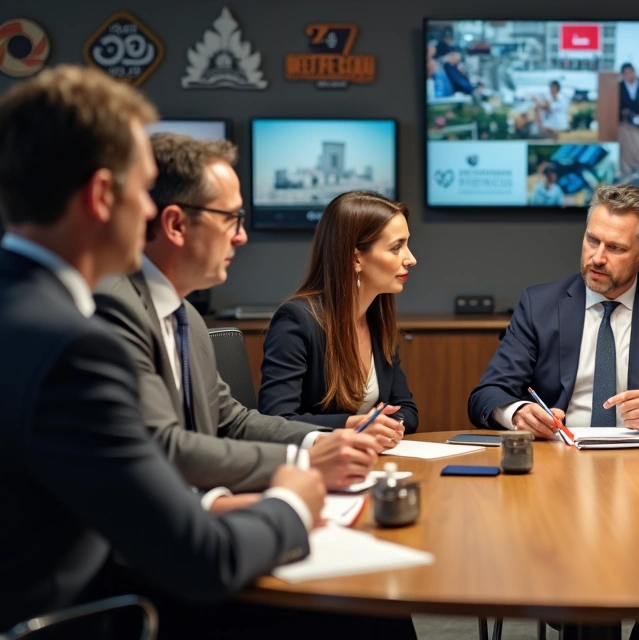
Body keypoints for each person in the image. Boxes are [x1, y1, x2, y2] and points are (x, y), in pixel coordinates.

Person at [0, 65, 322, 632]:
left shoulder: (28, 314)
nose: (150, 212)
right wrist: (293, 501)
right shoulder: (73, 347)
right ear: (103, 195)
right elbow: (204, 559)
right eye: (142, 191)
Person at [469, 183, 639, 640]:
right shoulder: (539, 305)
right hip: (556, 481)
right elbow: (486, 394)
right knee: (579, 577)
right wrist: (519, 412)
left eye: (615, 247)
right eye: (592, 241)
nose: (597, 257)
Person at [93, 133, 389, 500]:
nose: (242, 237)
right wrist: (304, 462)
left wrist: (321, 441)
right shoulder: (114, 308)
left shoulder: (185, 315)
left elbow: (232, 419)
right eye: (231, 218)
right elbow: (163, 445)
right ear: (175, 225)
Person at [260, 191, 420, 437]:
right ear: (356, 258)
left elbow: (407, 411)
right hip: (311, 468)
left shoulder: (377, 320)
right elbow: (276, 420)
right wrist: (355, 425)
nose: (411, 259)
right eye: (396, 248)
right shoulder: (296, 320)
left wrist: (384, 426)